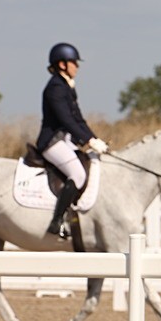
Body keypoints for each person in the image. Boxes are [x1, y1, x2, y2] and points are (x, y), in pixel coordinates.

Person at [37, 42, 108, 237]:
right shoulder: (56, 88)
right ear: (62, 64)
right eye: (74, 62)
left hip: (65, 141)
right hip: (52, 142)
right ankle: (56, 222)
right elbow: (66, 120)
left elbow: (78, 119)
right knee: (77, 175)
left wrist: (94, 139)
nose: (77, 66)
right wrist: (88, 141)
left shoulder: (66, 87)